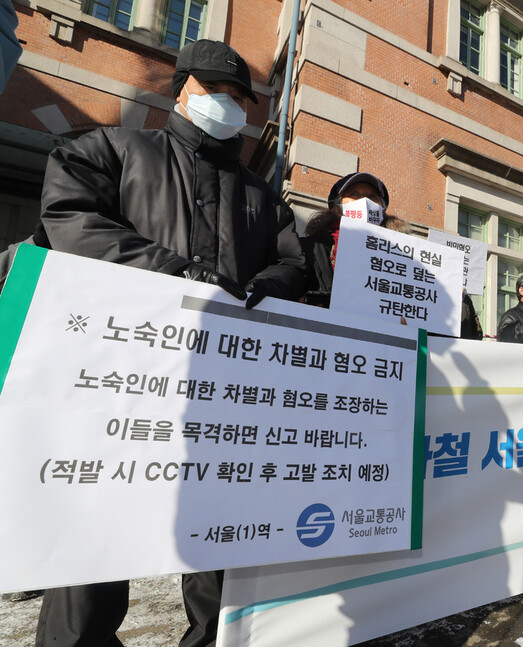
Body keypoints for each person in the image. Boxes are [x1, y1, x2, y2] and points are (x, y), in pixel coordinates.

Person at [35, 39, 306, 647]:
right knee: (92, 555)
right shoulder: (110, 149)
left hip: (222, 399)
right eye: (216, 92)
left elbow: (293, 266)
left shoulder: (264, 197)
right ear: (180, 88)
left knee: (220, 552)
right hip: (118, 389)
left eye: (241, 97)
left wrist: (268, 285)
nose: (229, 105)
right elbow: (70, 219)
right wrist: (175, 273)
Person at [300, 172, 391, 308]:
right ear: (337, 208)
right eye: (354, 194)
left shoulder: (399, 254)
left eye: (372, 196)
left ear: (382, 210)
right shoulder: (309, 248)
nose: (365, 201)